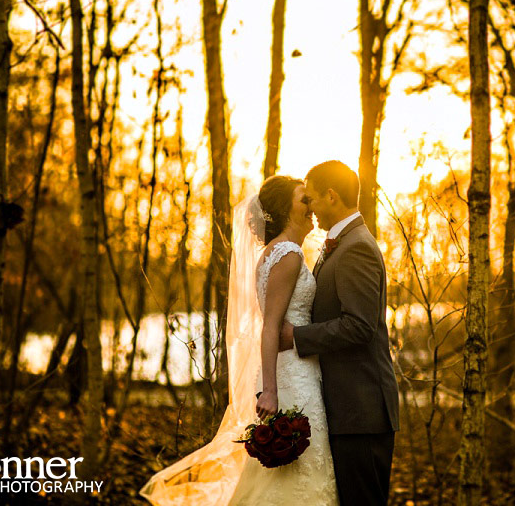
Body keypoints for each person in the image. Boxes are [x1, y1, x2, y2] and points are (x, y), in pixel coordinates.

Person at [140, 175, 338, 505]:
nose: (311, 207)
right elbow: (269, 326)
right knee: (299, 473)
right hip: (292, 377)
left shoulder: (275, 254)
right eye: (303, 199)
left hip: (292, 370)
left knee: (288, 474)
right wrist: (272, 391)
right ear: (283, 209)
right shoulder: (288, 255)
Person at [279, 160, 400, 506]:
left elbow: (359, 326)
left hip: (362, 412)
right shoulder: (342, 242)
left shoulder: (356, 247)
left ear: (331, 197)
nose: (311, 208)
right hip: (349, 411)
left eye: (313, 198)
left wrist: (297, 337)